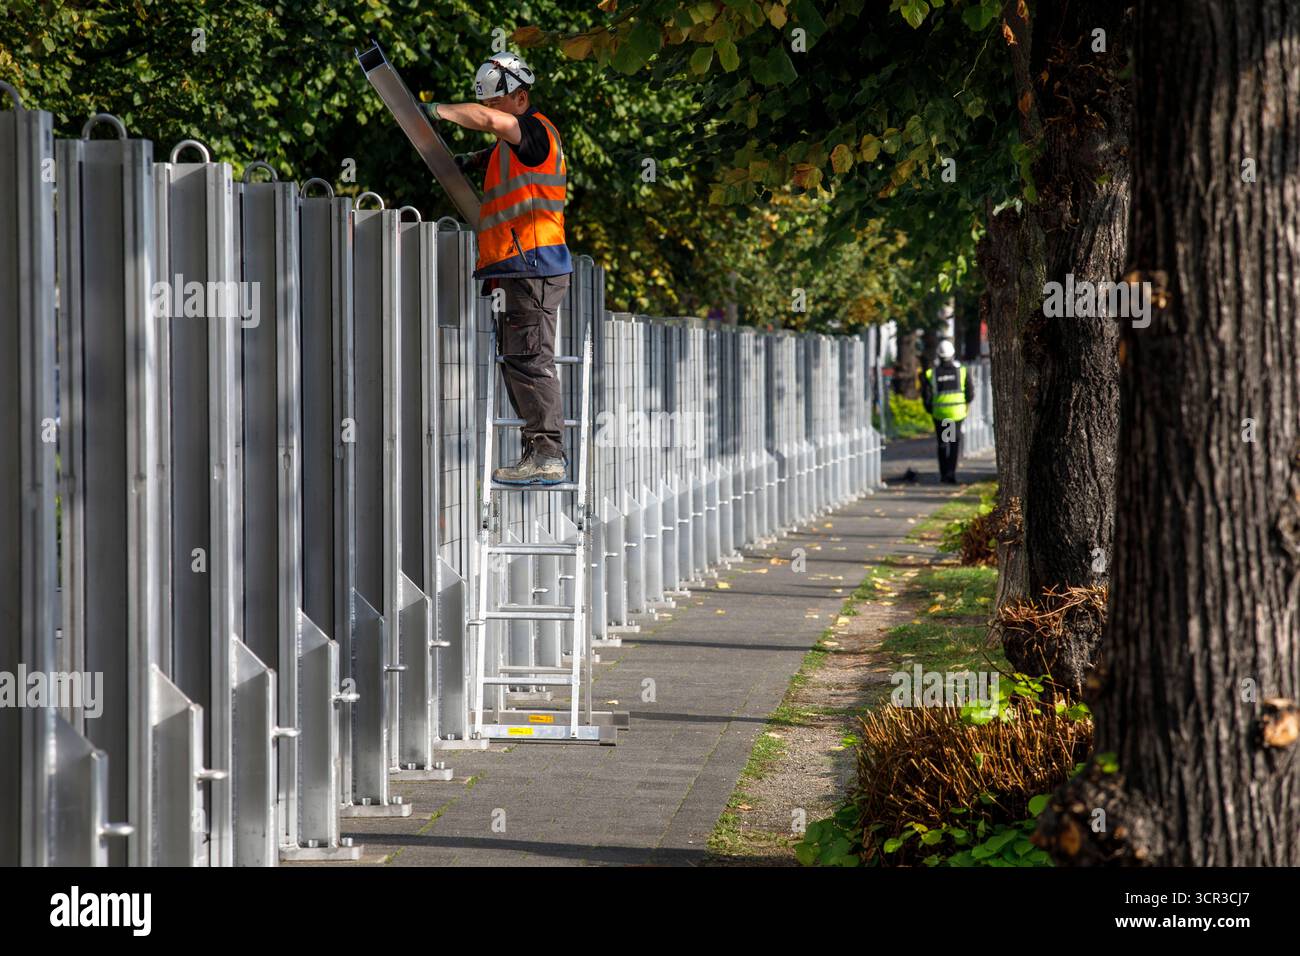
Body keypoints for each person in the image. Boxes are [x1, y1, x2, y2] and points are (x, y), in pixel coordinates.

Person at [426, 52, 572, 484]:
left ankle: (548, 454)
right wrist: (471, 160)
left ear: (521, 97)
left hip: (532, 265)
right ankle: (538, 450)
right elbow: (496, 147)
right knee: (517, 361)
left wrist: (436, 111)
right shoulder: (512, 147)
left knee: (530, 360)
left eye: (494, 104)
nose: (488, 113)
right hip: (517, 268)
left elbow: (494, 126)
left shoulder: (533, 131)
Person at [920, 339, 974, 484]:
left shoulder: (932, 373)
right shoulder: (962, 371)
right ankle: (950, 473)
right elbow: (970, 393)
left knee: (944, 443)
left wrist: (930, 410)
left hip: (941, 414)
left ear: (938, 355)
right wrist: (965, 405)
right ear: (953, 354)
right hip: (956, 413)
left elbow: (926, 396)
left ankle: (944, 474)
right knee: (954, 442)